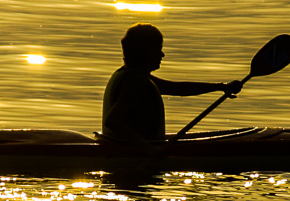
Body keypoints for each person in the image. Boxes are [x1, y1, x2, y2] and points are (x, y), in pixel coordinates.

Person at [102, 24, 242, 148]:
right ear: (144, 52)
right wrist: (147, 149)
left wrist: (221, 87)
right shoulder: (135, 83)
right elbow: (112, 120)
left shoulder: (131, 75)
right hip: (132, 151)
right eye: (158, 49)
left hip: (120, 144)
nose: (162, 54)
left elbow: (177, 88)